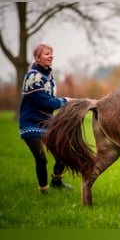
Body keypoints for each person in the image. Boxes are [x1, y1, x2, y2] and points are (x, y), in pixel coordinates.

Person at [19, 43, 73, 193]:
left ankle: (57, 180)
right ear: (37, 57)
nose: (51, 56)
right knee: (41, 158)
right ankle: (44, 190)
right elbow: (44, 102)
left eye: (51, 53)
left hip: (46, 122)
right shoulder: (33, 76)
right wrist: (64, 101)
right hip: (30, 123)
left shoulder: (48, 75)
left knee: (63, 152)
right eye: (46, 54)